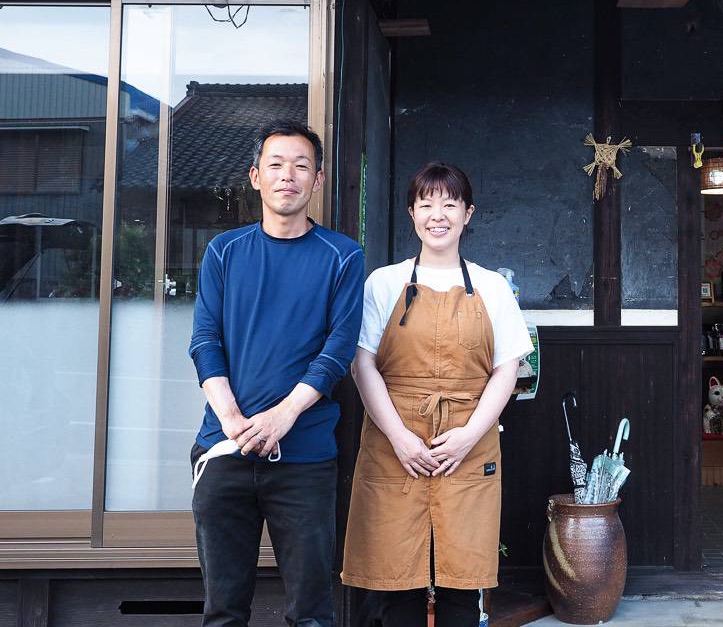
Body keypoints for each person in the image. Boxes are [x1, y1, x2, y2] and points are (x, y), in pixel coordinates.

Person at [189, 120, 365, 627]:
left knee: (311, 611)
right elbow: (205, 341)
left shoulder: (342, 256)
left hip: (305, 455)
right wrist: (232, 420)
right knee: (223, 611)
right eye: (276, 164)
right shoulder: (224, 251)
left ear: (318, 179)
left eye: (301, 165)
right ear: (255, 177)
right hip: (224, 448)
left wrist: (282, 417)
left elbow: (337, 352)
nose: (288, 175)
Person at [342, 162, 532, 627]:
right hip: (394, 444)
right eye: (426, 203)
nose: (437, 214)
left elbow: (507, 369)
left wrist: (468, 435)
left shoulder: (493, 287)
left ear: (468, 213)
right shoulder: (383, 283)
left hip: (469, 444)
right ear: (411, 213)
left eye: (449, 203)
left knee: (462, 586)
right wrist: (401, 438)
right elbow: (362, 363)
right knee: (396, 584)